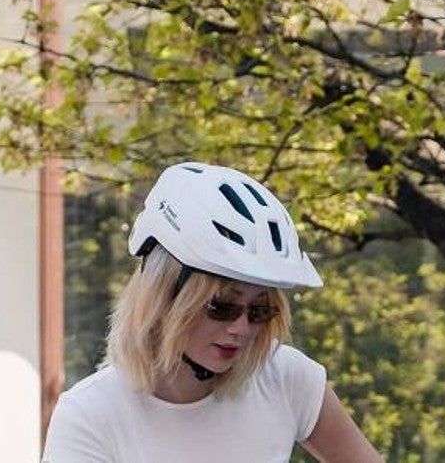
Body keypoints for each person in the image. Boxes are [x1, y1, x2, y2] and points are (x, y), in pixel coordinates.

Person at [42, 161, 384, 462]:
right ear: (164, 297)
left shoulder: (286, 377)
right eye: (221, 307)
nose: (242, 328)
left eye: (260, 310)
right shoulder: (90, 415)